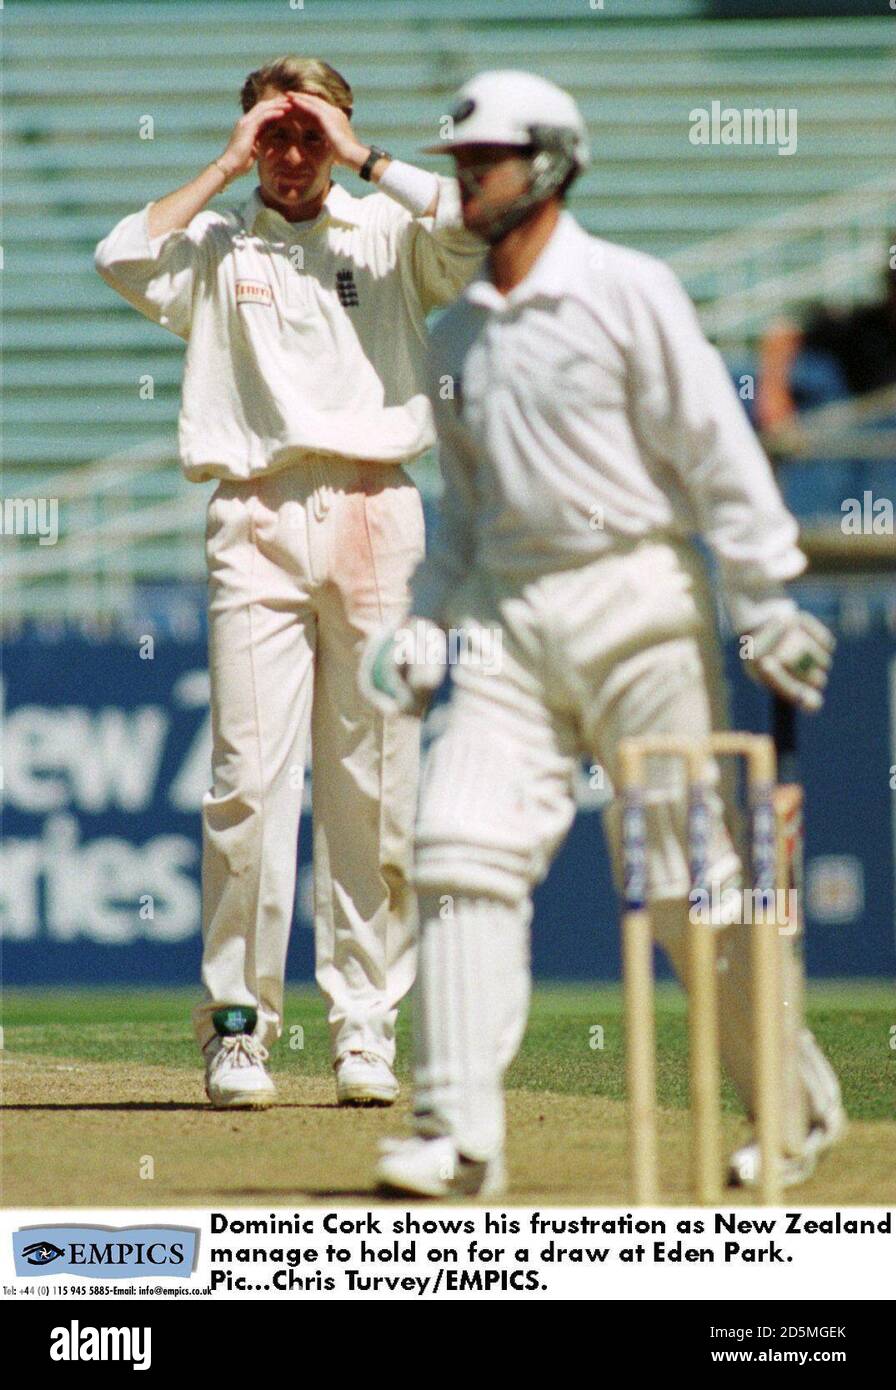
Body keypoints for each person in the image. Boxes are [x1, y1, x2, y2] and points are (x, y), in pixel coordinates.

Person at [362, 70, 845, 1198]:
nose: (467, 176)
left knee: (687, 884)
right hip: (506, 620)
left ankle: (789, 1109)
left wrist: (765, 596)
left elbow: (714, 455)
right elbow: (463, 524)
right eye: (460, 160)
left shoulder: (629, 290)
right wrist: (421, 624)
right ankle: (458, 1133)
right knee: (455, 845)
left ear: (551, 163)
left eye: (486, 158)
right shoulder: (455, 339)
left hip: (638, 608)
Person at [95, 55, 483, 1110]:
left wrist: (363, 156)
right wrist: (228, 161)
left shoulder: (388, 230)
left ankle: (364, 1026)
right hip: (255, 514)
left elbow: (477, 220)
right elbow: (119, 254)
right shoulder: (219, 244)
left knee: (375, 785)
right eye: (279, 133)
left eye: (313, 134)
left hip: (374, 512)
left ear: (344, 134)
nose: (296, 154)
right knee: (245, 786)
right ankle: (238, 1029)